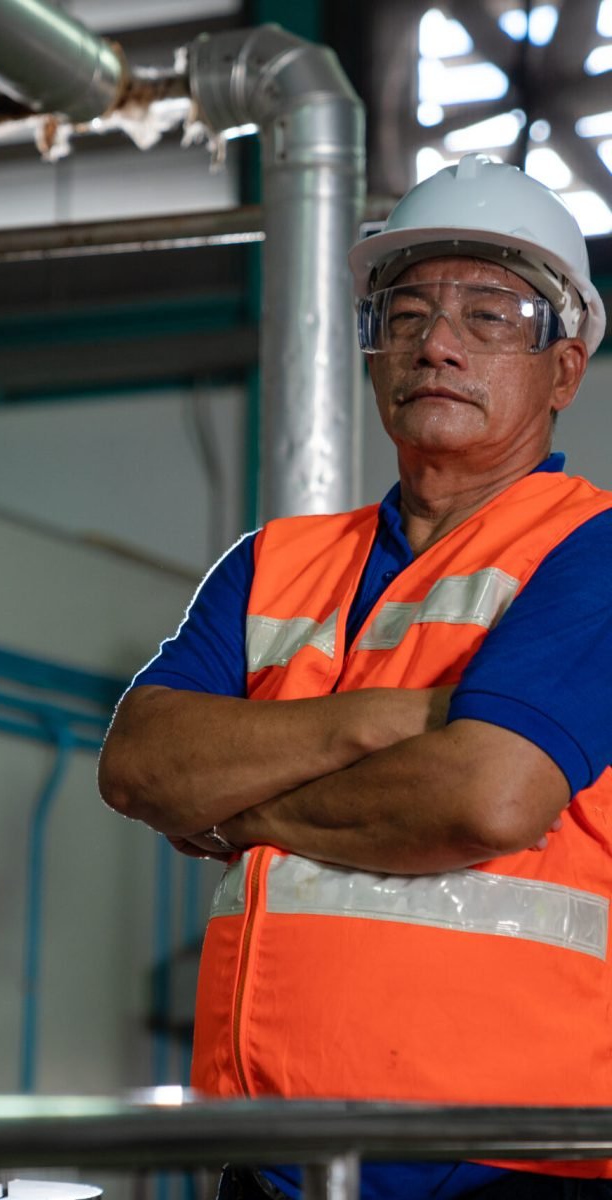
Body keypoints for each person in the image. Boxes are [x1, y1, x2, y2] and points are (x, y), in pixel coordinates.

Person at [98, 153, 612, 1198]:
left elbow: (487, 794)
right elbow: (140, 765)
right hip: (268, 1155)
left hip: (509, 1163)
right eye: (407, 313)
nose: (436, 345)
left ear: (561, 369)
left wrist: (241, 813)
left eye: (490, 316)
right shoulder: (270, 565)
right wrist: (381, 720)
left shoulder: (590, 552)